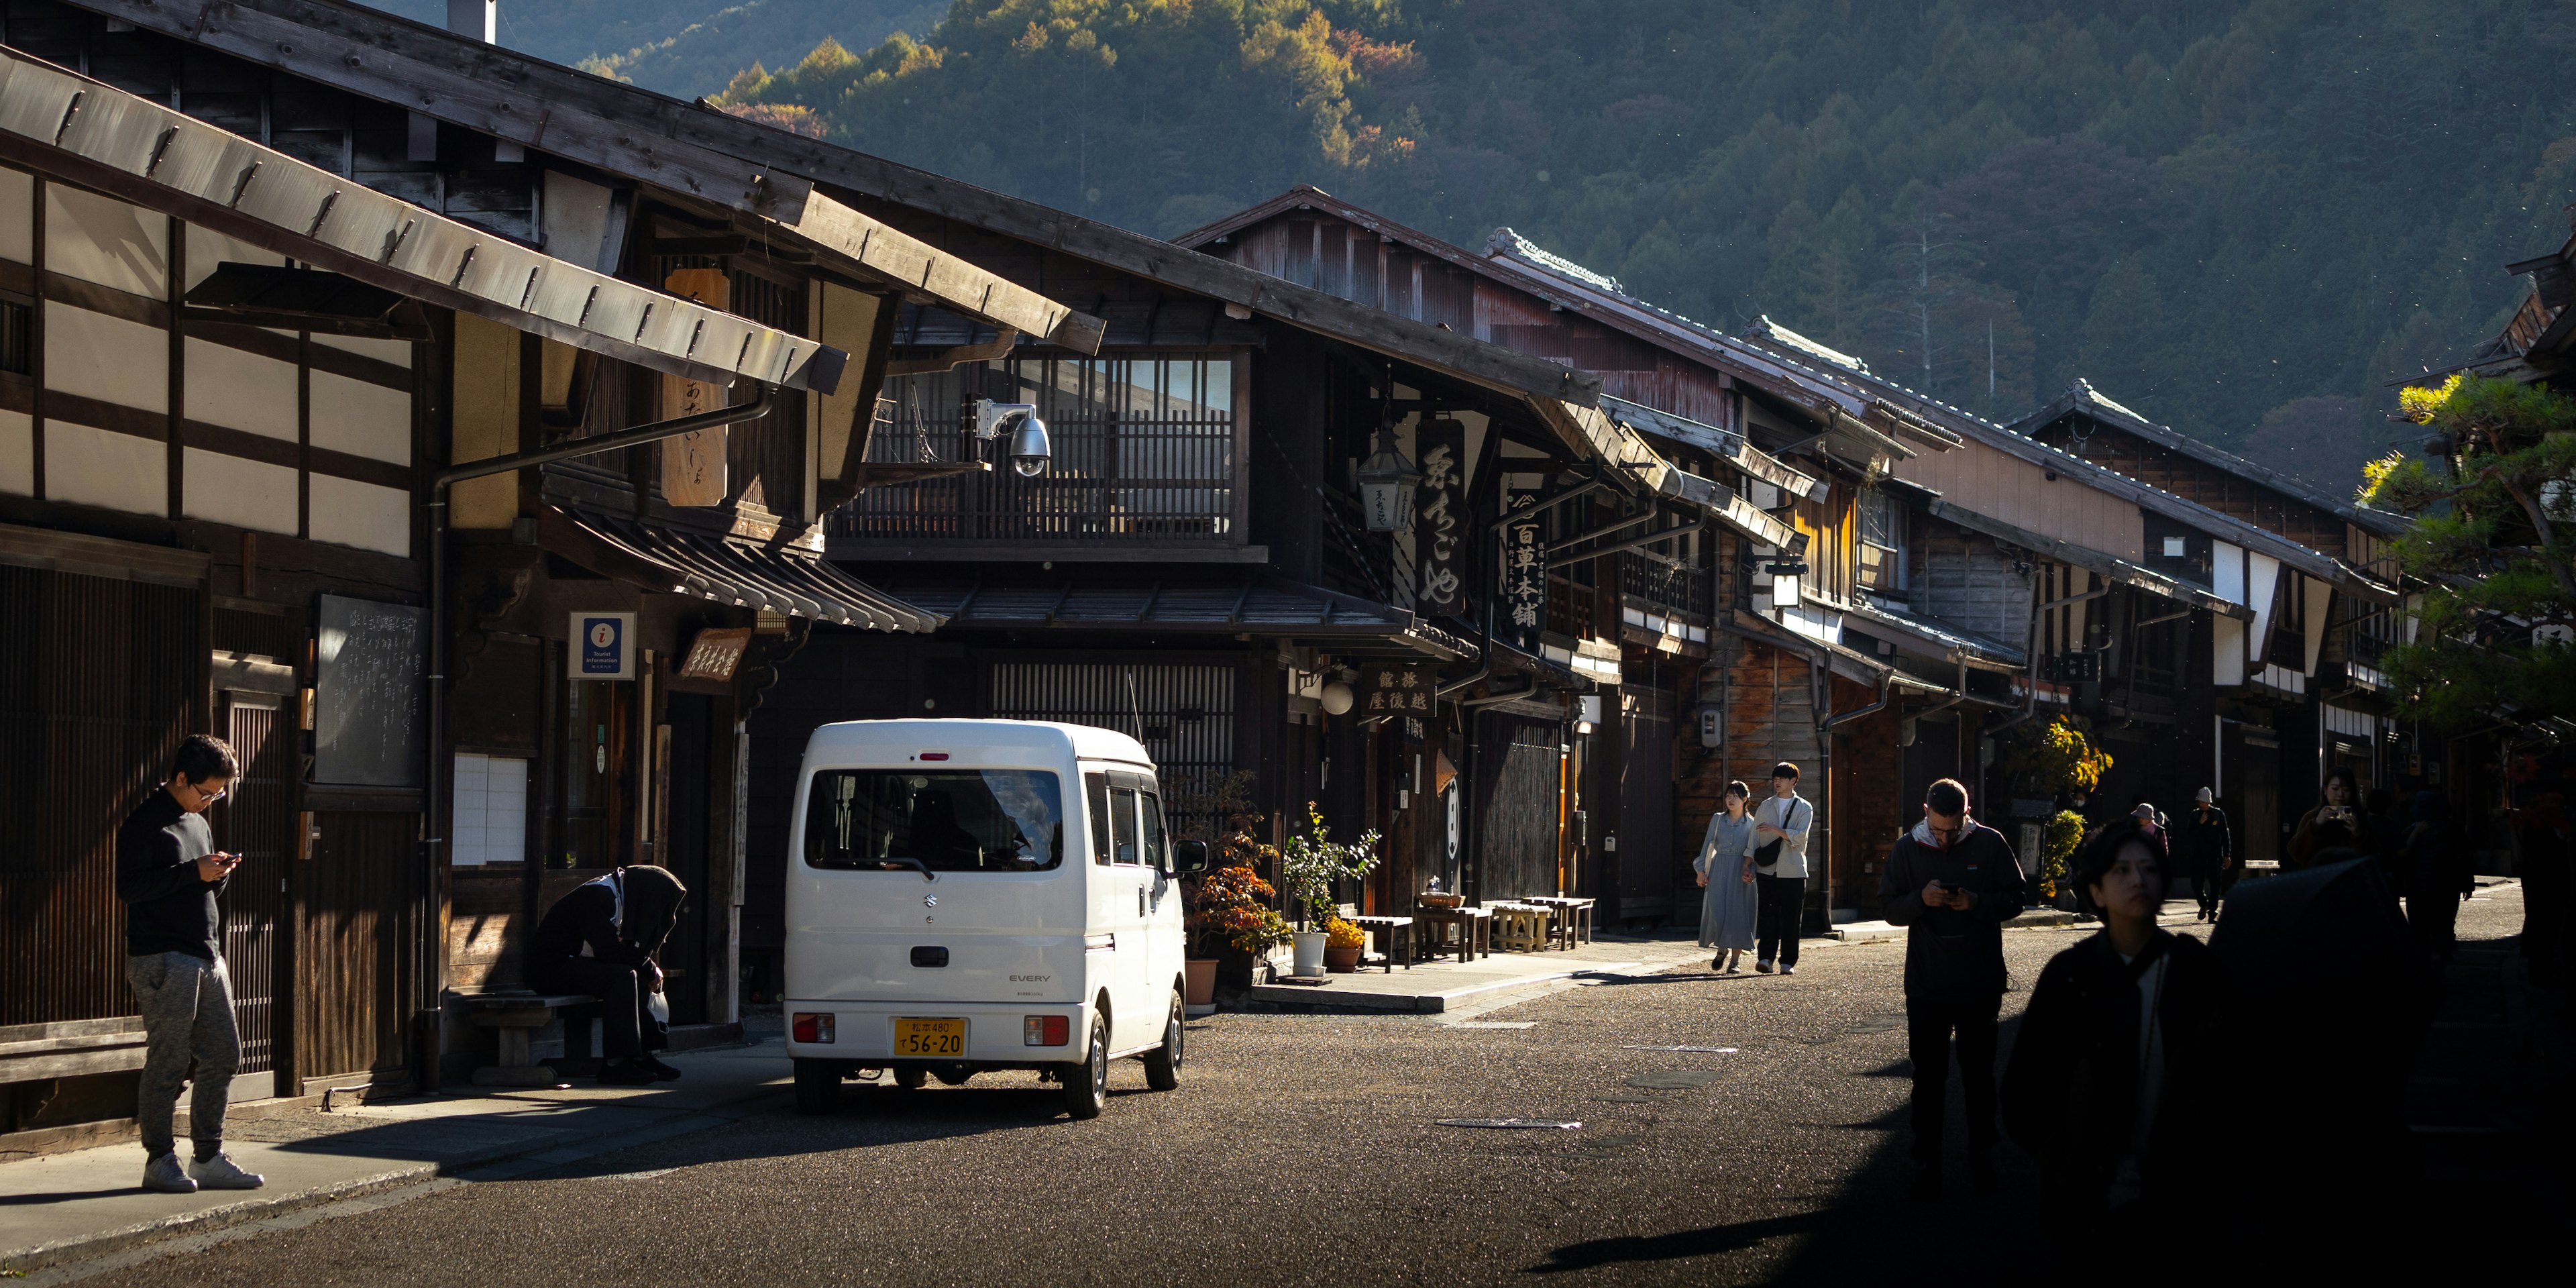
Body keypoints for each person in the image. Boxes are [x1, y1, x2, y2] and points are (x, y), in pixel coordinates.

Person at [2001, 818, 2233, 1236]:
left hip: (2185, 1187)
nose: (2137, 879)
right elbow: (2025, 1090)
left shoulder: (2193, 969)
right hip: (2088, 1191)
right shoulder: (2069, 975)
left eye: (2148, 869)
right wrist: (2065, 1153)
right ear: (2096, 891)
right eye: (2121, 871)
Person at [117, 734, 265, 1194]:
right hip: (162, 956)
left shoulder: (198, 823)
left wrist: (215, 875)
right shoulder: (144, 824)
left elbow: (194, 886)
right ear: (180, 778)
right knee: (170, 1059)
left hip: (206, 952)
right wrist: (191, 873)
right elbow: (131, 889)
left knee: (224, 1055)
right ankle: (159, 1159)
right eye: (206, 792)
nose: (211, 801)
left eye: (218, 794)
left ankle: (207, 1156)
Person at [1878, 777, 2028, 1199]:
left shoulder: (1990, 843)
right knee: (1928, 1078)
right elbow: (1888, 907)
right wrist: (1919, 901)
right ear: (1926, 812)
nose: (1945, 839)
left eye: (1954, 829)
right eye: (1939, 829)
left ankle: (1982, 1154)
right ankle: (1927, 1160)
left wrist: (1977, 903)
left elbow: (2017, 897)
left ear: (1967, 814)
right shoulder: (1909, 847)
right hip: (1927, 984)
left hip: (1979, 982)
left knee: (1979, 1076)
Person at [529, 865, 690, 1085]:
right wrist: (648, 965)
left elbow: (619, 952)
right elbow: (608, 950)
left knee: (637, 975)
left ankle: (641, 1055)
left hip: (575, 964)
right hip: (550, 969)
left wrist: (647, 967)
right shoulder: (598, 895)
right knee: (623, 976)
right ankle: (616, 1064)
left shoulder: (621, 898)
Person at [1748, 761, 1814, 975]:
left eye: (1782, 779)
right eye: (1775, 779)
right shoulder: (1766, 806)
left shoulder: (1804, 807)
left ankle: (1788, 961)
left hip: (1793, 870)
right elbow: (1753, 839)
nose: (1777, 782)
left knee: (1791, 917)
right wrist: (1747, 864)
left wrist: (1777, 830)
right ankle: (1765, 958)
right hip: (1767, 869)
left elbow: (1801, 837)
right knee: (1767, 914)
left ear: (1793, 781)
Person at [1693, 781, 1760, 972]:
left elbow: (1754, 851)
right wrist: (1700, 871)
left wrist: (1751, 872)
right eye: (1728, 795)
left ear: (1745, 799)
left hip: (1741, 870)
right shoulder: (1717, 819)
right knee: (1718, 911)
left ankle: (1735, 961)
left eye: (1736, 796)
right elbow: (1707, 846)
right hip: (1719, 867)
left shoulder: (1753, 824)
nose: (1731, 799)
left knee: (1739, 914)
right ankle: (1722, 949)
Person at [2398, 792, 2470, 967]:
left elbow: (2401, 857)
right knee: (2444, 923)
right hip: (2447, 887)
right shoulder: (2454, 830)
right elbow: (2464, 858)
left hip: (2417, 888)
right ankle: (2440, 955)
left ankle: (2422, 961)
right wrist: (2468, 884)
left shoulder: (2412, 830)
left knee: (2419, 926)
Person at [2287, 767, 2366, 869]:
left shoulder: (2359, 818)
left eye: (2346, 790)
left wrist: (2358, 834)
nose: (2340, 794)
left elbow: (2370, 856)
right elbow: (2297, 854)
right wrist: (2315, 825)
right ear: (2325, 790)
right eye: (2335, 789)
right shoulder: (2312, 817)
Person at [2182, 788, 2233, 922]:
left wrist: (2227, 854)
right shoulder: (2195, 816)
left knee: (2215, 884)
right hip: (2198, 854)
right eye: (2200, 801)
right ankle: (2203, 903)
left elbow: (2225, 836)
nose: (2202, 804)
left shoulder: (2218, 814)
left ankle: (2212, 912)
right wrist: (2200, 824)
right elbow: (2190, 834)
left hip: (2215, 854)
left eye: (2204, 801)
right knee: (2196, 883)